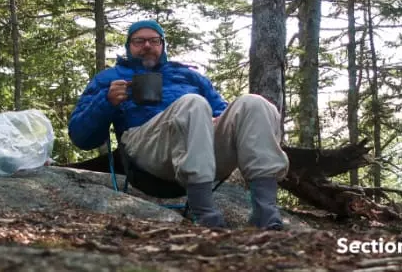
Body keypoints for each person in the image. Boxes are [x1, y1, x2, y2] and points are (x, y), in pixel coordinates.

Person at [68, 20, 289, 229]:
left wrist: (214, 121)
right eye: (139, 41)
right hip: (147, 152)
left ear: (163, 45)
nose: (147, 45)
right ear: (128, 47)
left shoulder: (189, 76)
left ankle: (265, 213)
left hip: (201, 147)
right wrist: (106, 101)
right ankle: (205, 214)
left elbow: (224, 114)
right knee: (192, 104)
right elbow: (81, 137)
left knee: (254, 104)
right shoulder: (110, 78)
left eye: (154, 41)